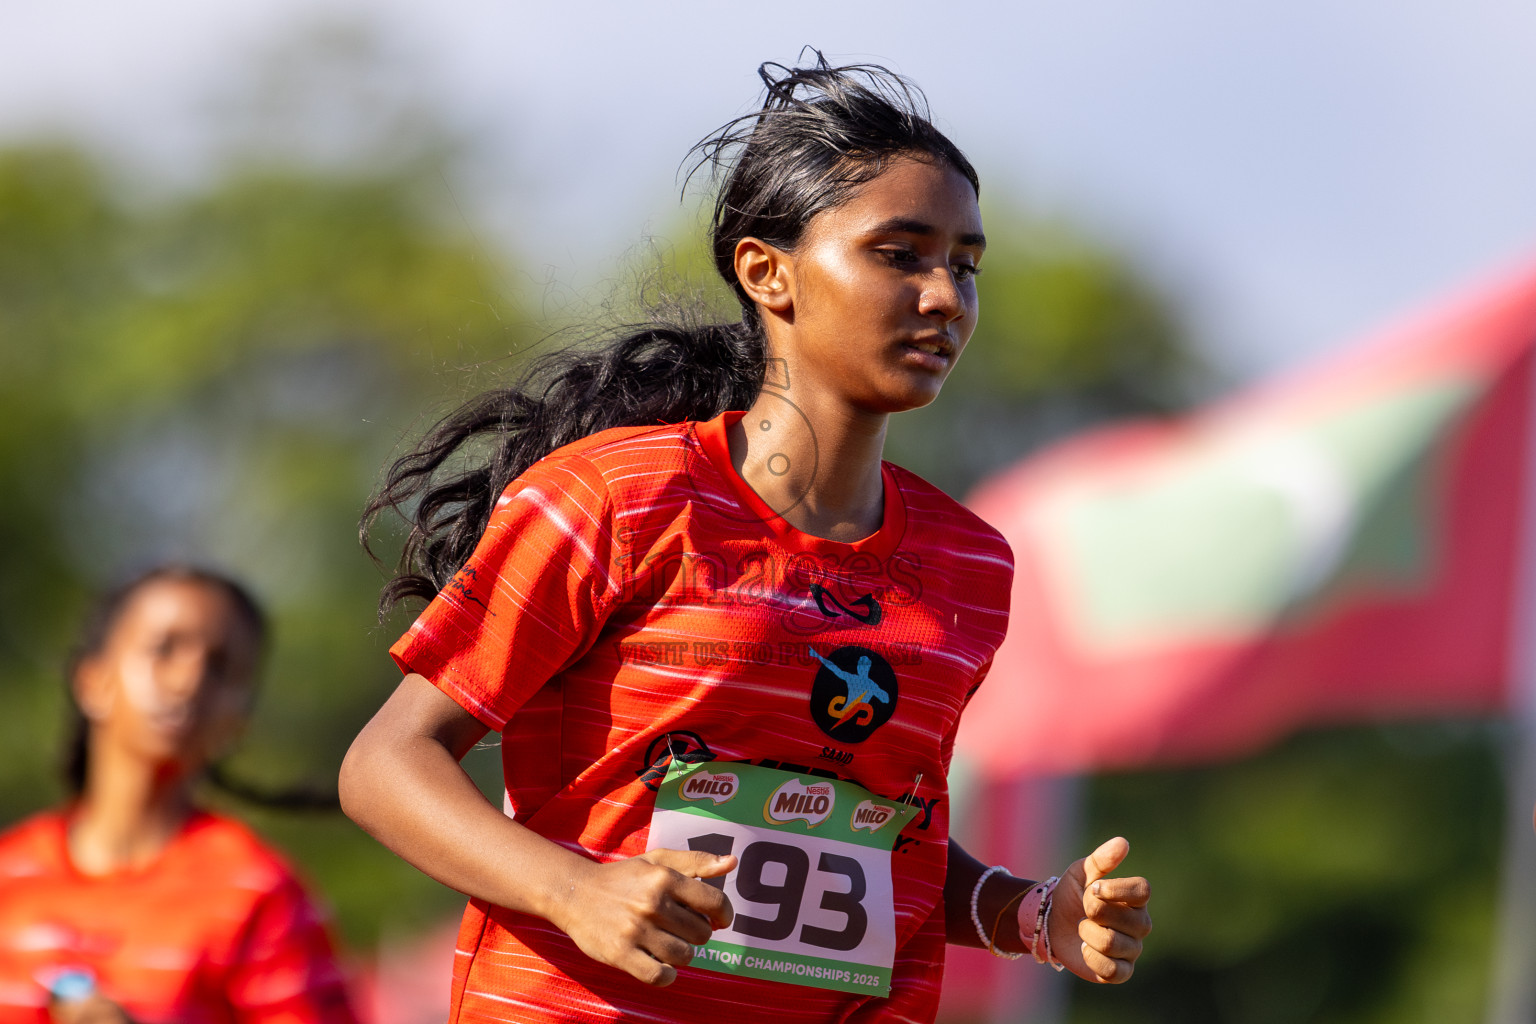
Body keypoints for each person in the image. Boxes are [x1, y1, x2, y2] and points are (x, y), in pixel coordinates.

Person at [341, 55, 1152, 1023]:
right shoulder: (618, 499)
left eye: (965, 264)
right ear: (768, 273)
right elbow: (385, 766)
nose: (945, 296)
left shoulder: (970, 565)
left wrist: (1027, 912)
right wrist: (575, 889)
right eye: (901, 254)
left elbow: (886, 836)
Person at [0, 566, 359, 1024]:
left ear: (240, 719)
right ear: (92, 681)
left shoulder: (259, 894)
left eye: (221, 667)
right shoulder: (7, 878)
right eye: (163, 649)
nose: (188, 681)